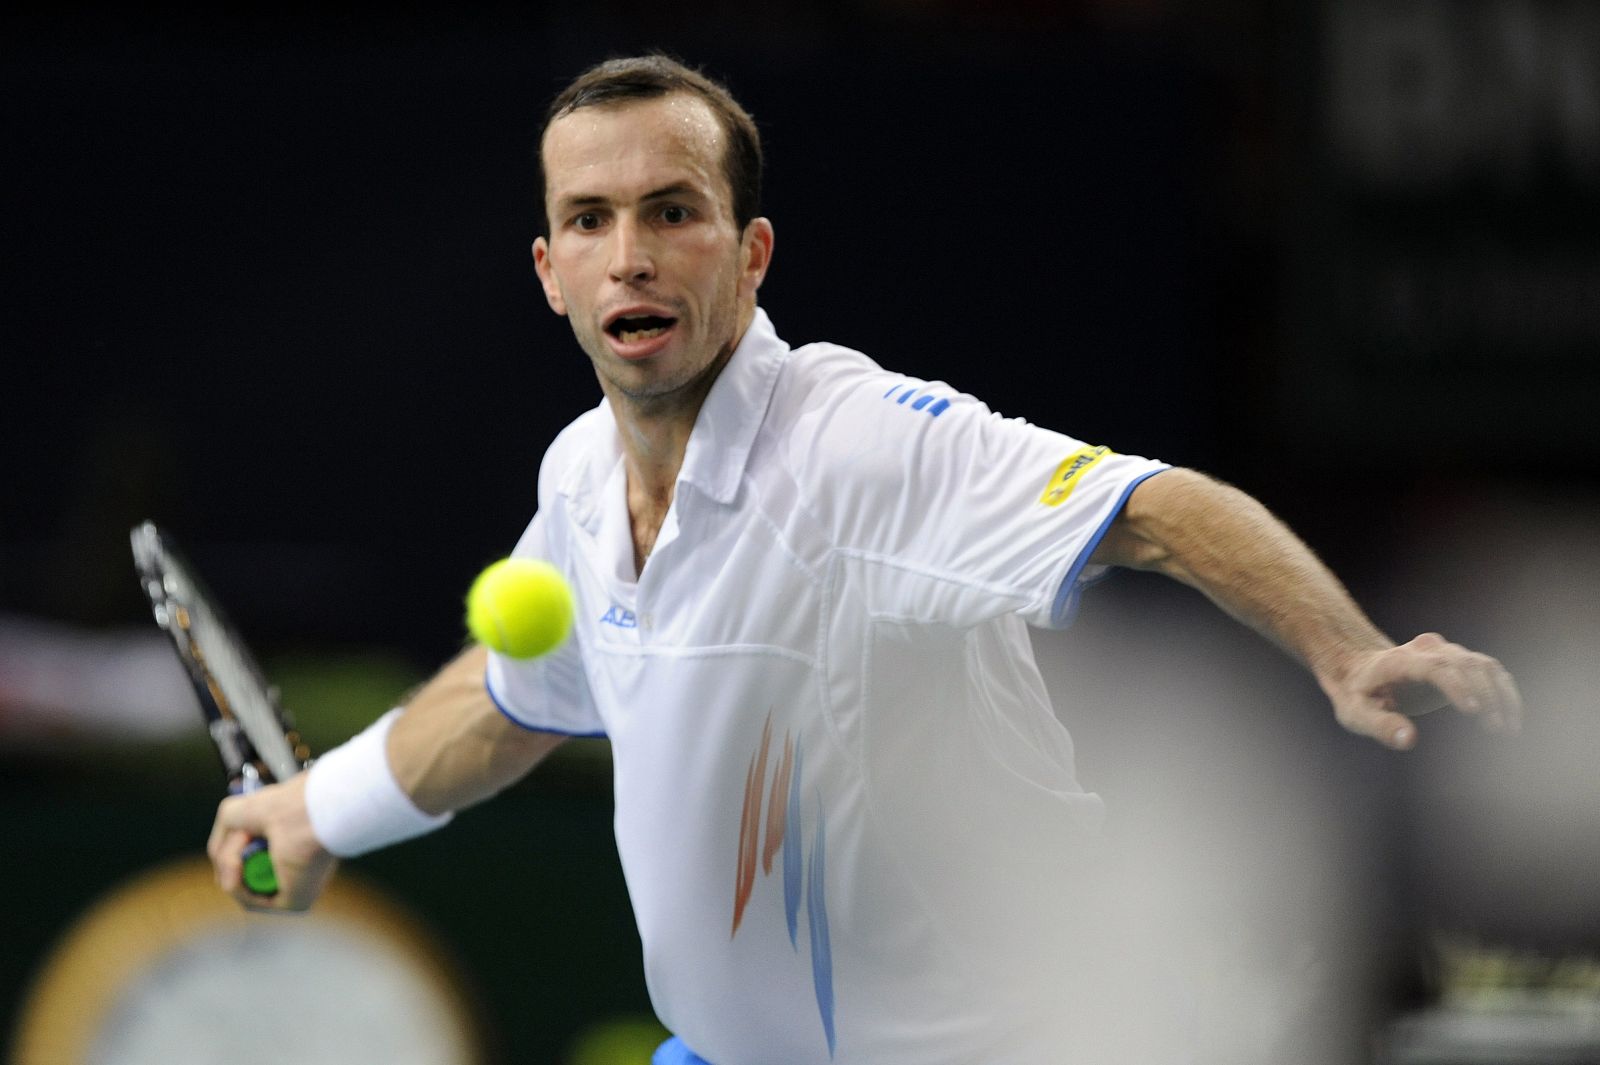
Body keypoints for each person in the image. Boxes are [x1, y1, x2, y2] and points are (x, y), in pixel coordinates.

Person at [207, 55, 1523, 1064]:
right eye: (594, 220)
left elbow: (1153, 505)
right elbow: (508, 698)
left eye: (674, 211)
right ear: (551, 271)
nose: (633, 255)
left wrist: (1346, 648)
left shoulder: (861, 446)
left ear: (751, 251)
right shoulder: (576, 479)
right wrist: (312, 812)